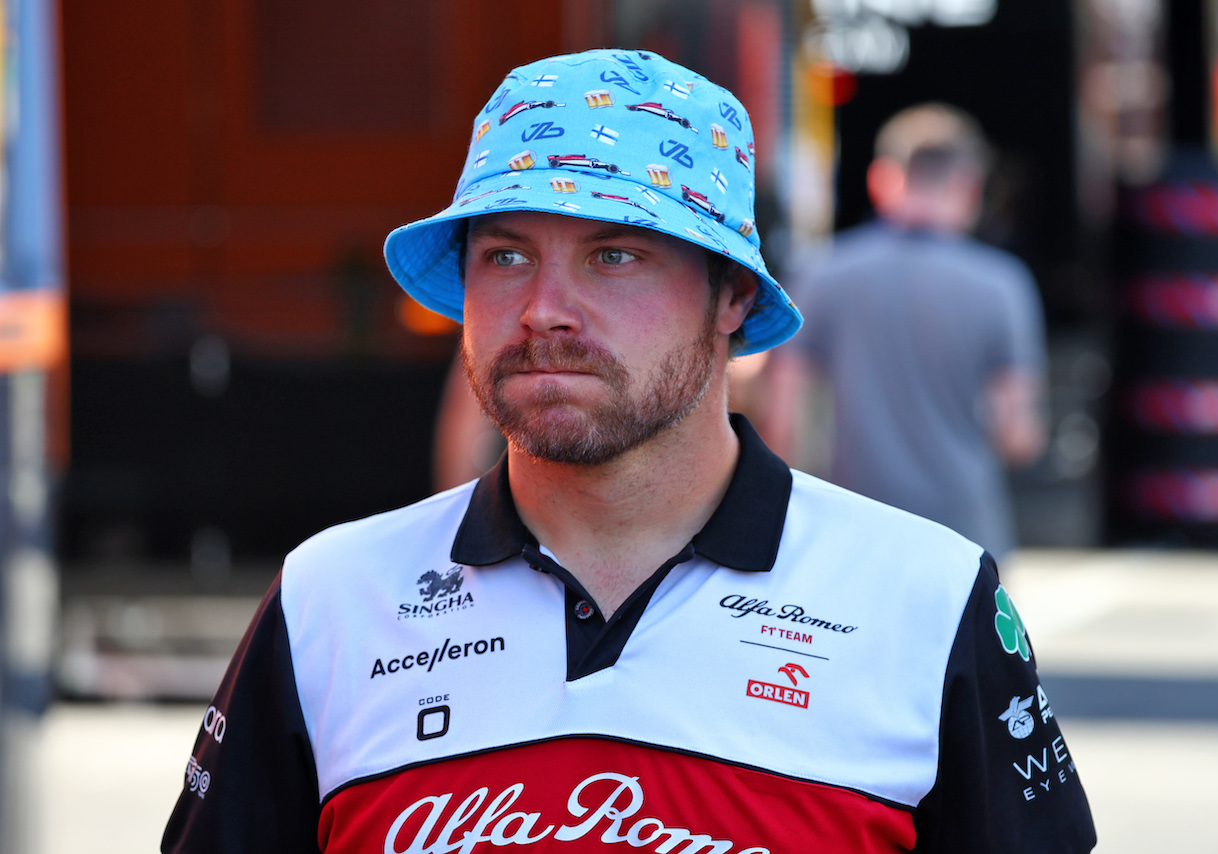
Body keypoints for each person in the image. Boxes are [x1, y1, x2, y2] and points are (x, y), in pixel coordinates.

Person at [162, 51, 1092, 853]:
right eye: (506, 255)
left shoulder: (924, 598)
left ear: (731, 298)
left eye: (614, 255)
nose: (543, 309)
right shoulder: (332, 597)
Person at [763, 104, 1048, 564]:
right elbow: (1018, 437)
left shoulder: (822, 274)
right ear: (969, 188)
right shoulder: (1003, 285)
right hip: (966, 538)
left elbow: (783, 424)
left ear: (880, 179)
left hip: (851, 532)